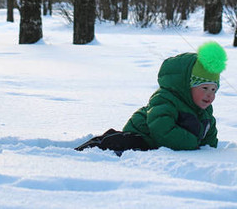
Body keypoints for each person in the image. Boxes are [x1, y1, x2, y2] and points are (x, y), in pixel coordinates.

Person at [76, 41, 227, 155]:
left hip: (158, 146)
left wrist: (208, 150)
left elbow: (209, 135)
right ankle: (83, 153)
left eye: (214, 89)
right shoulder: (166, 99)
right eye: (204, 88)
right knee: (116, 143)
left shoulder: (205, 112)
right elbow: (161, 128)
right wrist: (191, 143)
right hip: (142, 136)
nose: (210, 95)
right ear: (186, 87)